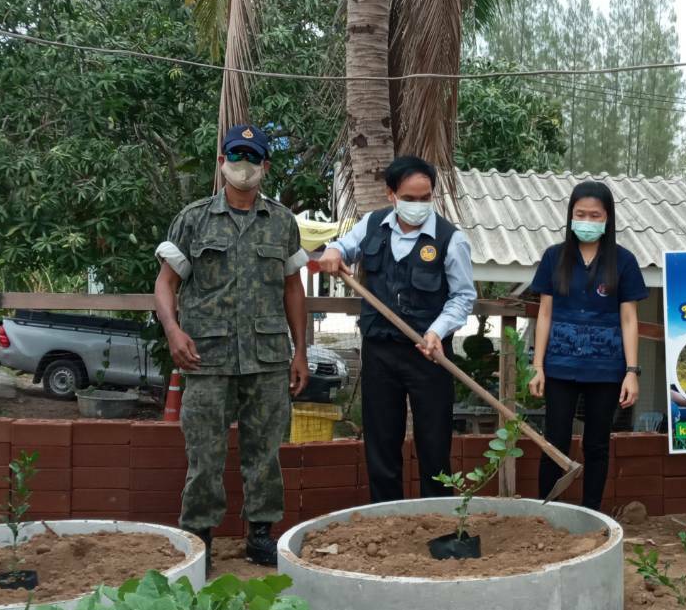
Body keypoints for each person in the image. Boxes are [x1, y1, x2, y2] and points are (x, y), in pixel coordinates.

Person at [154, 124, 309, 571]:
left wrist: (300, 351)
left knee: (265, 453)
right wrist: (172, 330)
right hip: (206, 357)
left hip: (266, 360)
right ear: (221, 162)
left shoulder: (281, 222)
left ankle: (260, 535)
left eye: (252, 158)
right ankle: (200, 539)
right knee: (205, 455)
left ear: (265, 165)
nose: (243, 166)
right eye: (235, 156)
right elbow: (166, 284)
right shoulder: (194, 218)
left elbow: (293, 290)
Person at [315, 156, 476, 501]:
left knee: (434, 443)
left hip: (428, 356)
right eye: (409, 198)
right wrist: (332, 250)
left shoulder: (451, 240)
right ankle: (386, 519)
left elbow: (463, 298)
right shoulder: (372, 225)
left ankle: (438, 519)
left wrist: (438, 331)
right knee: (381, 441)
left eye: (425, 198)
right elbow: (343, 247)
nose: (418, 205)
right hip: (380, 353)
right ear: (391, 195)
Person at [527, 182, 648, 511]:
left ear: (607, 218)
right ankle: (546, 512)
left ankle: (593, 514)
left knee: (597, 444)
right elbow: (545, 313)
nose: (587, 220)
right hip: (559, 367)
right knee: (556, 441)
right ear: (570, 216)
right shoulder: (554, 257)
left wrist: (631, 372)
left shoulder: (623, 261)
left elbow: (628, 319)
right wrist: (538, 366)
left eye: (595, 215)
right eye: (580, 214)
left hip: (607, 370)